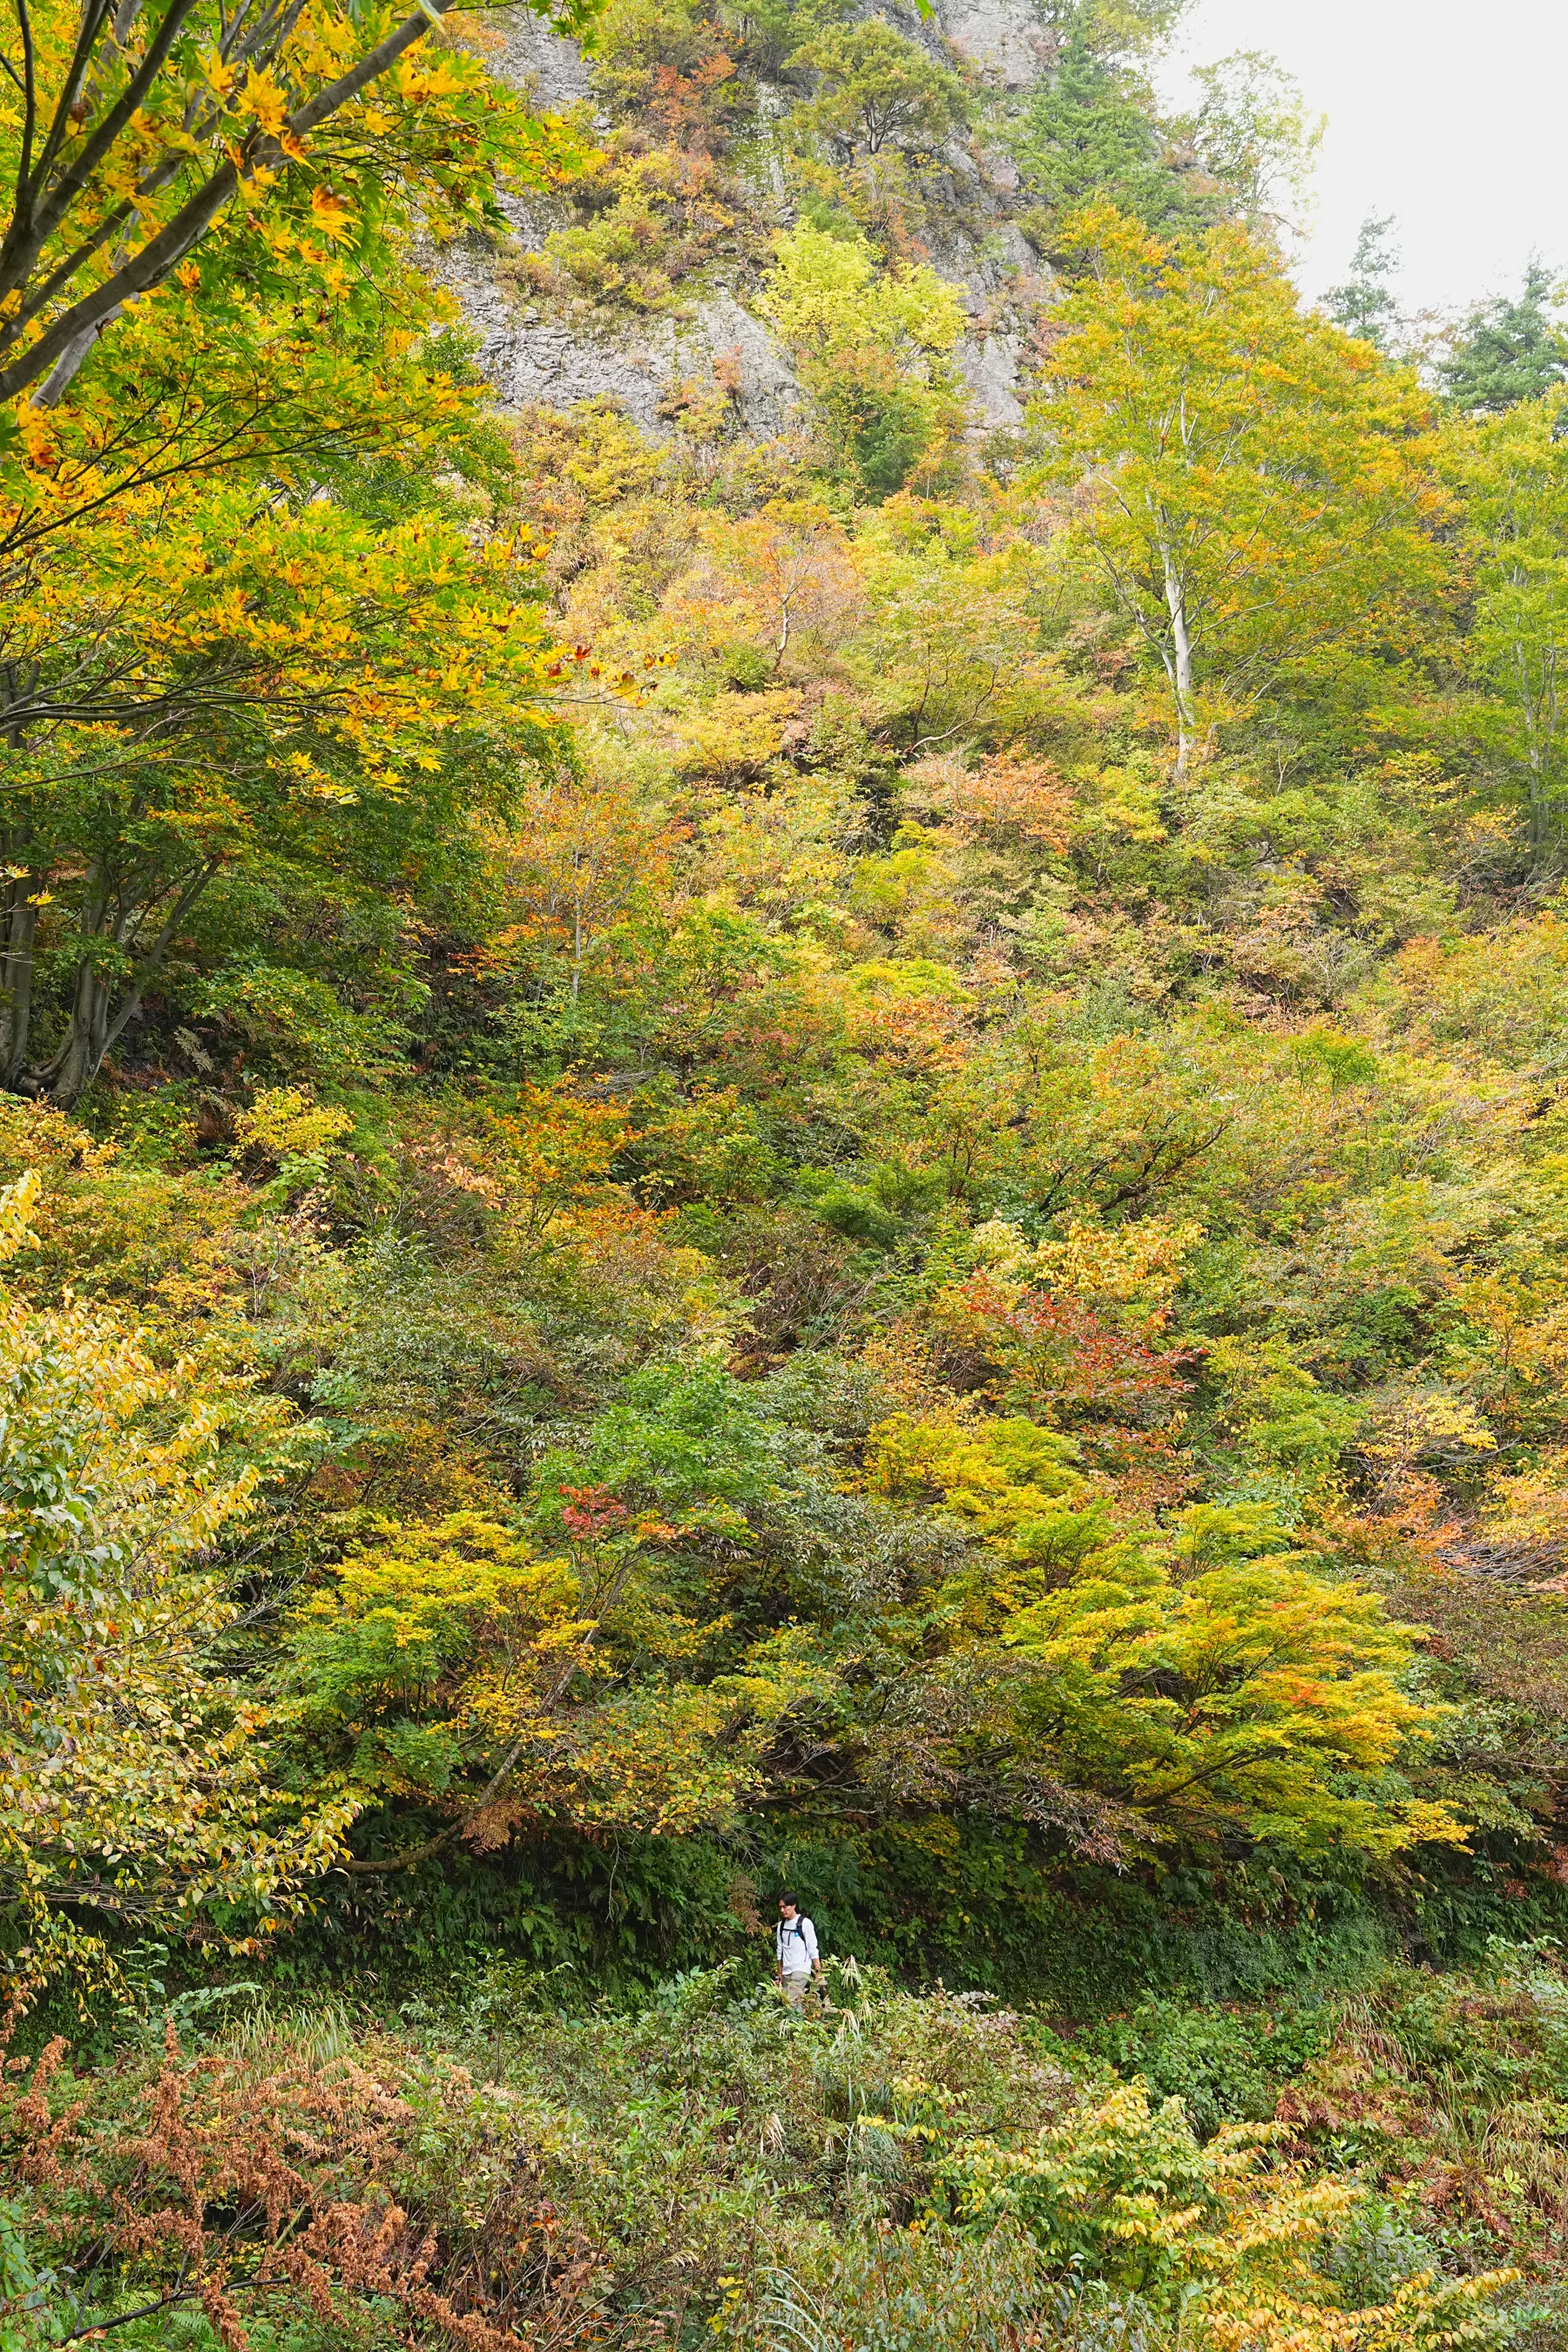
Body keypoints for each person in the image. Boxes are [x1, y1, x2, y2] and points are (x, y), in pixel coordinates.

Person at [774, 1893, 822, 2009]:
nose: (782, 1910)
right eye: (780, 1907)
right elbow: (780, 1949)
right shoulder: (781, 1926)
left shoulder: (804, 1923)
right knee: (793, 2003)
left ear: (794, 1905)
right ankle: (802, 2024)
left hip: (801, 1970)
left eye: (785, 1907)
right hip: (786, 1972)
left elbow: (812, 1949)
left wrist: (818, 1972)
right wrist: (779, 1972)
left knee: (789, 2001)